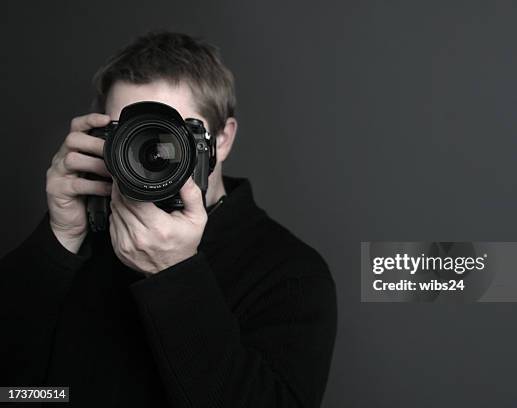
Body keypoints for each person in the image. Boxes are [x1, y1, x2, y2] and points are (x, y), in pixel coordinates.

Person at [0, 31, 337, 407]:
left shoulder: (291, 273)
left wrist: (176, 275)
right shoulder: (83, 236)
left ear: (221, 140)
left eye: (170, 136)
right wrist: (57, 241)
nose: (152, 155)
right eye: (130, 135)